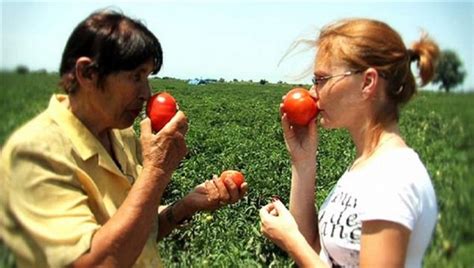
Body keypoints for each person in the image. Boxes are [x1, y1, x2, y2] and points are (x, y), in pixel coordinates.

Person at [0, 9, 247, 267]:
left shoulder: (121, 133)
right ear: (87, 73)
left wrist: (186, 206)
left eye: (148, 77)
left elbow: (136, 236)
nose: (146, 93)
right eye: (135, 76)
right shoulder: (34, 154)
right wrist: (156, 171)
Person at [259, 18, 439, 267]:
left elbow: (302, 246)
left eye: (321, 79)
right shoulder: (366, 166)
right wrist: (302, 161)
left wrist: (291, 240)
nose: (312, 92)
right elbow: (315, 248)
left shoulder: (392, 177)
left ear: (367, 83)